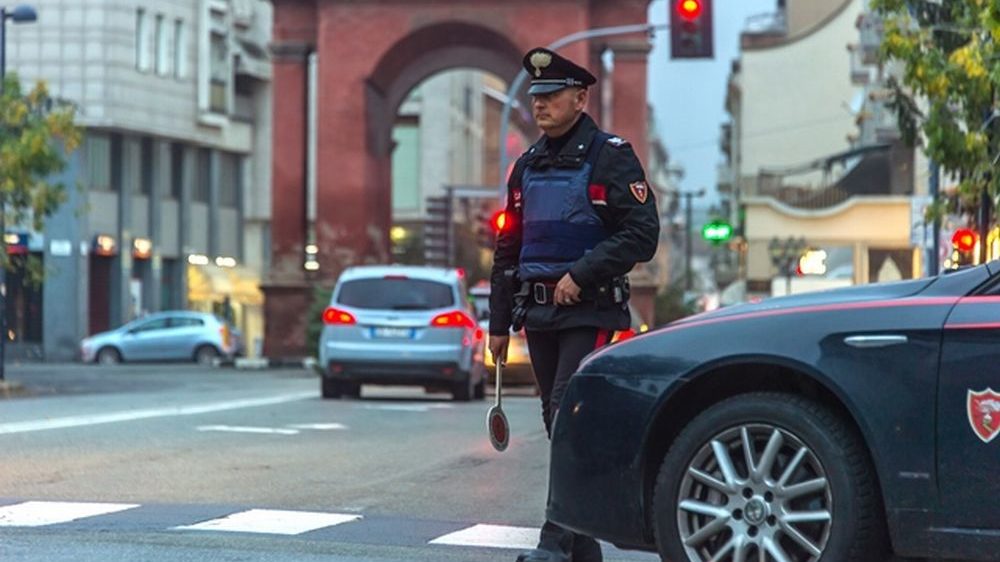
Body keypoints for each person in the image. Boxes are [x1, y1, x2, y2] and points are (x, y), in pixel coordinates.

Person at [488, 47, 659, 562]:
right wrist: (497, 324)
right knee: (557, 422)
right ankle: (582, 549)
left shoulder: (610, 155)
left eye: (551, 95)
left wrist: (581, 275)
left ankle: (554, 542)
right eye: (535, 97)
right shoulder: (527, 166)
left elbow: (642, 233)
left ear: (580, 98)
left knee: (567, 414)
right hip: (537, 314)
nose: (539, 105)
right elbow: (508, 248)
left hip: (590, 309)